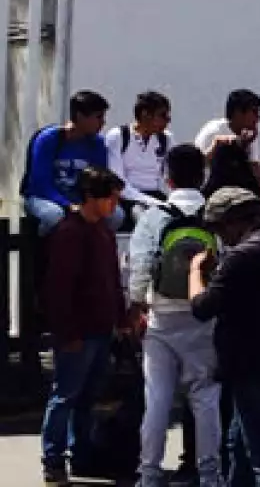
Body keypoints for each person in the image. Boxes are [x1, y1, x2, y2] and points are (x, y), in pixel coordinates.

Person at [188, 187, 260, 487]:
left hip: (250, 360)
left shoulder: (243, 255)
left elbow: (202, 307)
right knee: (240, 445)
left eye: (218, 228)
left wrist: (195, 271)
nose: (219, 236)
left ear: (232, 221)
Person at [128, 145, 223, 487]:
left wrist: (137, 306)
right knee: (206, 397)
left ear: (167, 177)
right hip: (202, 316)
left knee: (157, 400)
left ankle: (149, 474)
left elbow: (140, 266)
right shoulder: (213, 213)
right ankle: (210, 475)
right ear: (203, 176)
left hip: (161, 319)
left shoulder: (155, 216)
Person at [40, 167, 127, 485]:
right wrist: (68, 332)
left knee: (88, 397)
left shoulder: (102, 230)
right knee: (65, 395)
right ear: (91, 196)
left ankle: (82, 455)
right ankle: (53, 458)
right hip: (79, 331)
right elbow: (58, 290)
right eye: (110, 198)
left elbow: (113, 279)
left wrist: (120, 316)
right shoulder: (69, 233)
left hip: (102, 327)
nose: (114, 206)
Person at [24, 90, 115, 235]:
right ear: (80, 117)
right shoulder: (49, 139)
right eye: (98, 117)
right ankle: (42, 251)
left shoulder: (97, 144)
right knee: (54, 216)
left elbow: (99, 181)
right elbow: (40, 184)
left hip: (79, 199)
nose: (103, 122)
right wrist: (68, 205)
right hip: (43, 197)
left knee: (115, 215)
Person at [106, 91, 174, 208]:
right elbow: (117, 182)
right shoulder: (119, 136)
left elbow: (171, 176)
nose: (168, 120)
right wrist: (149, 201)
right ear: (145, 114)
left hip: (157, 197)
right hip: (127, 199)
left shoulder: (167, 139)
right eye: (163, 115)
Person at [194, 89, 260, 161]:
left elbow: (253, 166)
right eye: (254, 112)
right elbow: (198, 165)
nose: (258, 117)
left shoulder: (248, 136)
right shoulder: (213, 132)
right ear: (238, 113)